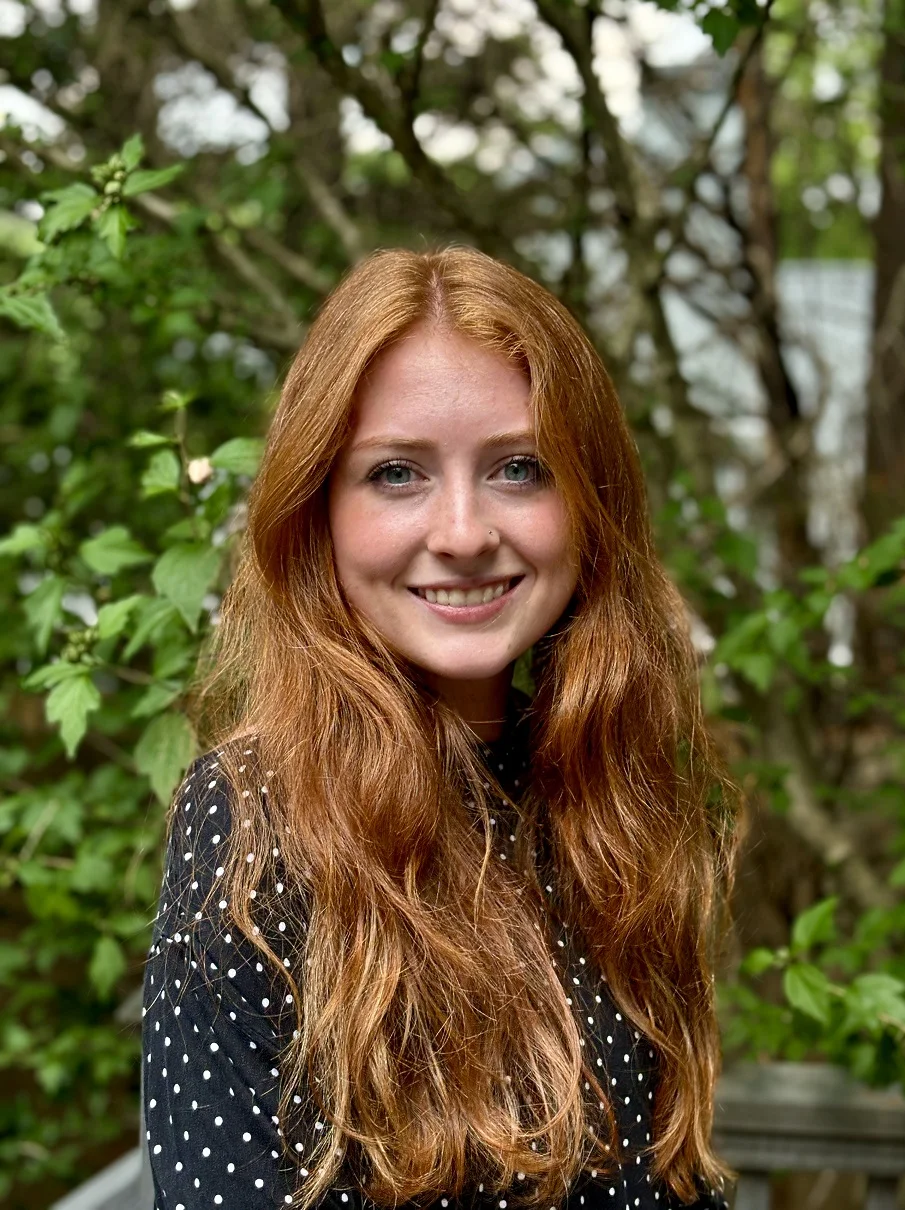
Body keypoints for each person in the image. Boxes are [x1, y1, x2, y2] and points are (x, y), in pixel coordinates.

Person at [142, 246, 738, 1210]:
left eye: (519, 468)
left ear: (590, 503)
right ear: (317, 510)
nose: (463, 533)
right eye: (396, 474)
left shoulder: (613, 794)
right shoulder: (252, 818)